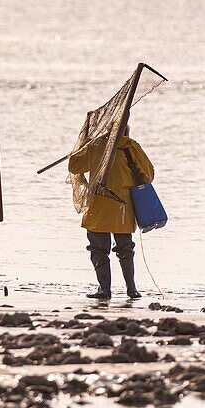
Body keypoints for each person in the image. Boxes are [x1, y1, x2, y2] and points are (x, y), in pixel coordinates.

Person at [68, 124, 154, 300]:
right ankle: (132, 289)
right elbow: (148, 175)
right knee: (125, 248)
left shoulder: (95, 146)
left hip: (98, 207)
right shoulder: (130, 146)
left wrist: (83, 145)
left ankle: (104, 290)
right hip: (123, 207)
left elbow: (74, 167)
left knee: (98, 249)